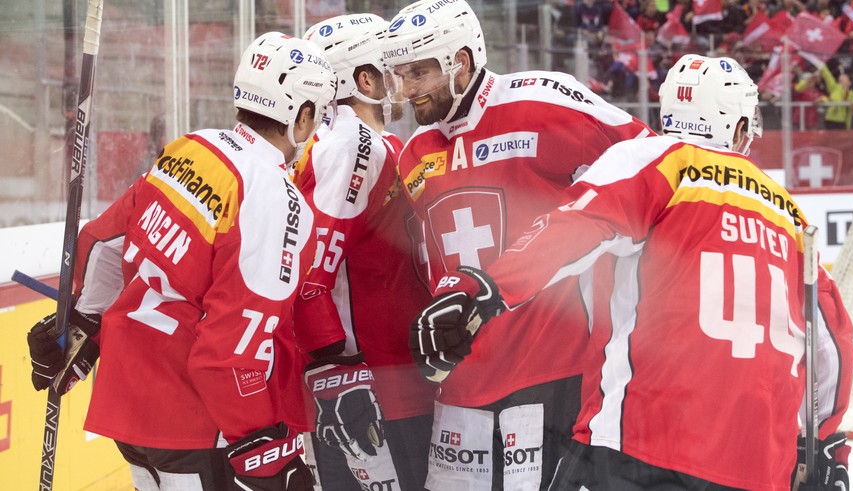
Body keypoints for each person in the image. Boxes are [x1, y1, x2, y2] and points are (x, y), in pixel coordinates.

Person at [412, 54, 853, 490]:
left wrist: (483, 288)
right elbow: (833, 343)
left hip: (644, 441)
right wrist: (827, 446)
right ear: (738, 124)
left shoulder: (655, 159)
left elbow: (574, 226)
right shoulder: (789, 213)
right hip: (760, 460)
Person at [25, 33, 337, 490]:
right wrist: (262, 448)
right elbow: (235, 342)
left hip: (128, 403)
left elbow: (103, 244)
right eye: (319, 114)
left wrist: (83, 324)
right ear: (302, 115)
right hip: (196, 419)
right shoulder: (276, 198)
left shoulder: (190, 148)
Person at [381, 1, 654, 488]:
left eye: (418, 73)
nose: (407, 91)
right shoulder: (413, 154)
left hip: (549, 374)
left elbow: (651, 161)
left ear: (460, 61)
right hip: (459, 391)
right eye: (400, 75)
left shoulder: (544, 102)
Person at [290, 13, 435, 491]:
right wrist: (335, 366)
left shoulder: (352, 142)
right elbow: (314, 265)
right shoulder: (354, 141)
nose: (398, 85)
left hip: (388, 375)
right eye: (386, 71)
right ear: (364, 78)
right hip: (369, 387)